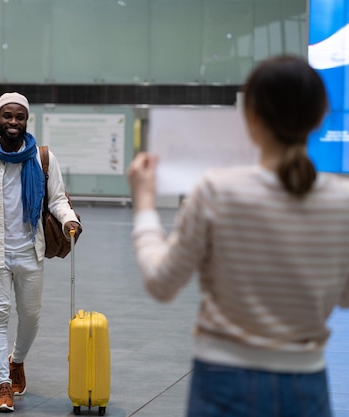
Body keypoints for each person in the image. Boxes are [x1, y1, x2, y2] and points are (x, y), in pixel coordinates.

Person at [127, 55, 349, 417]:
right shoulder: (342, 201)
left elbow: (161, 283)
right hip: (306, 384)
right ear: (320, 118)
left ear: (252, 116)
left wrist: (145, 203)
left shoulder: (218, 190)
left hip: (222, 381)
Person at [0, 92, 81, 413]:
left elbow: (57, 199)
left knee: (31, 317)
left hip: (30, 252)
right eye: (7, 116)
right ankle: (2, 384)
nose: (13, 122)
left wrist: (69, 220)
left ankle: (16, 361)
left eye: (19, 117)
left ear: (26, 120)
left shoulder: (41, 159)